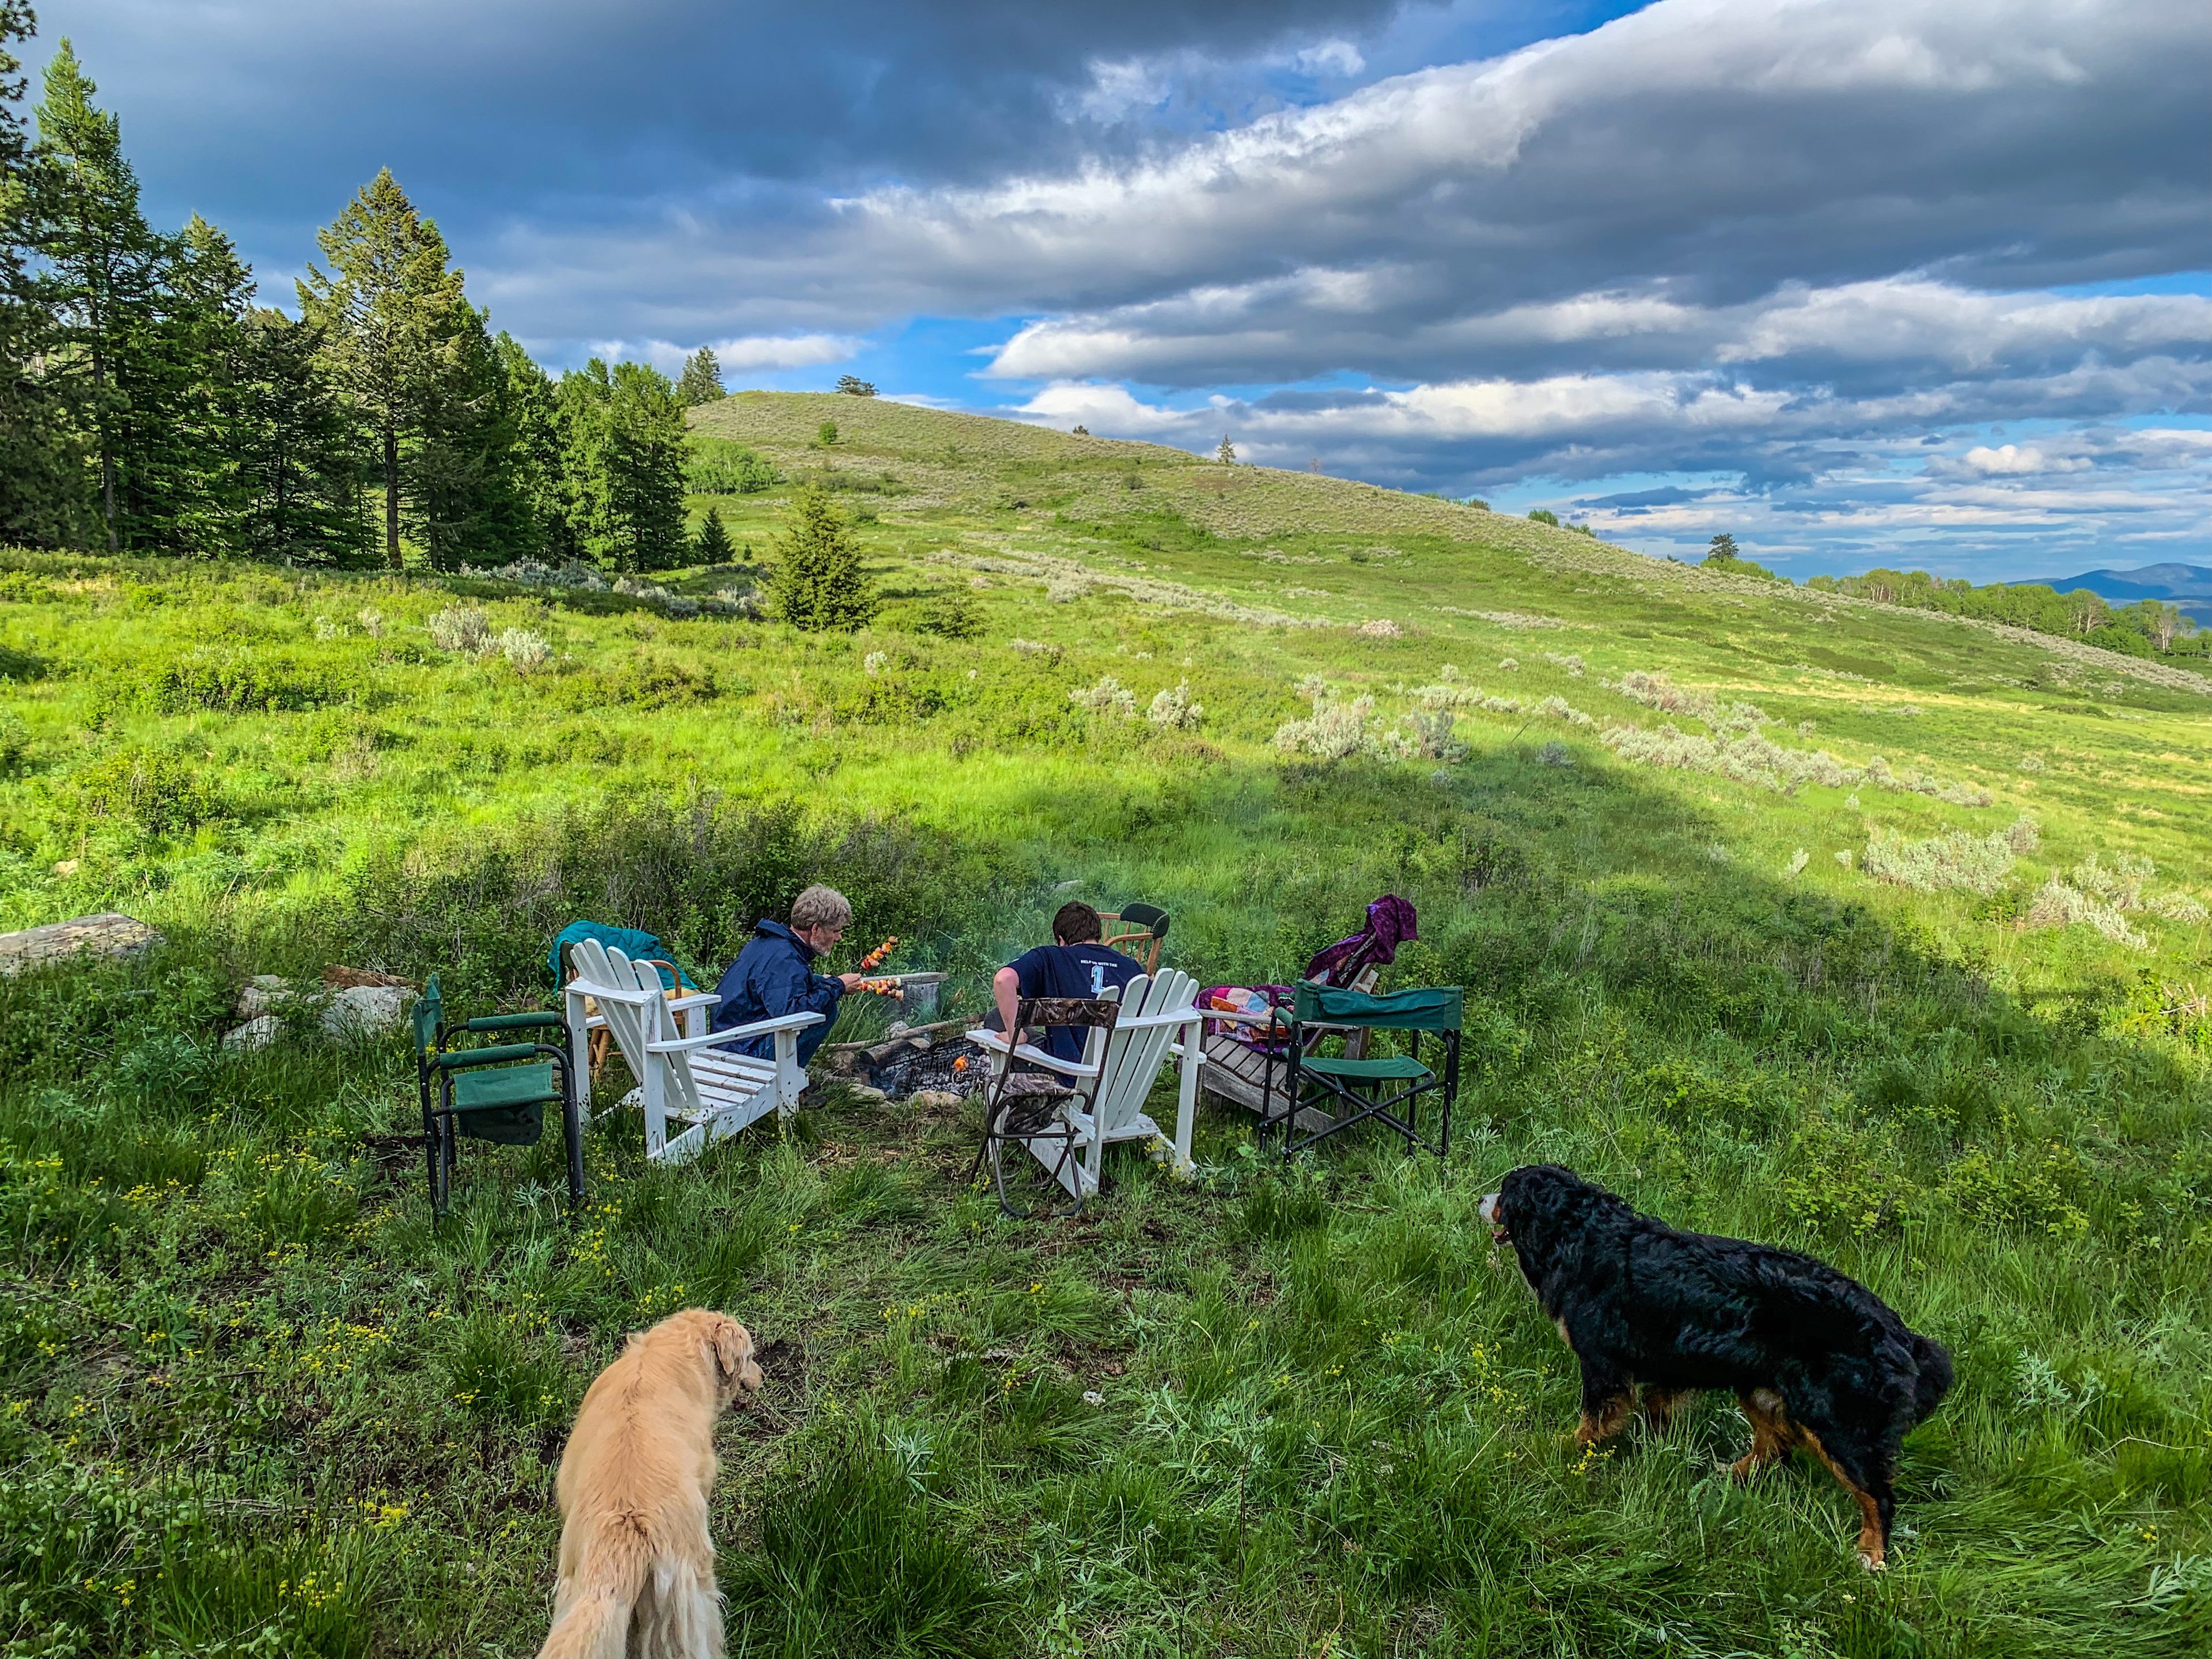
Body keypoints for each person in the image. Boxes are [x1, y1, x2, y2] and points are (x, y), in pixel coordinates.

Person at [712, 885, 864, 1069]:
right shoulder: (785, 958)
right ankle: (786, 1079)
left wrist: (816, 981)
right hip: (741, 1051)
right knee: (825, 1009)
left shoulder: (771, 943)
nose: (839, 937)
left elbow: (775, 988)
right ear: (816, 929)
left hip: (729, 1039)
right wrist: (837, 985)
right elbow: (793, 1015)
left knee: (821, 992)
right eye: (835, 931)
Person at [993, 901, 1143, 1064]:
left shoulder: (1050, 957)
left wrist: (1016, 1035)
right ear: (1096, 934)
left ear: (1061, 940)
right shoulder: (1131, 967)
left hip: (1065, 1071)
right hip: (1120, 1075)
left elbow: (1004, 980)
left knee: (995, 1018)